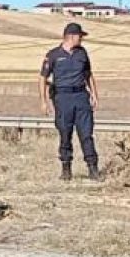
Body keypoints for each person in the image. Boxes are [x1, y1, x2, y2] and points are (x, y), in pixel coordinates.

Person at [40, 22, 100, 181]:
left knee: (86, 134)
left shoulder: (82, 53)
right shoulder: (53, 55)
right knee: (65, 133)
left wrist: (94, 94)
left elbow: (89, 75)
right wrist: (44, 101)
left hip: (81, 97)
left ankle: (93, 169)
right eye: (80, 36)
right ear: (71, 37)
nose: (82, 39)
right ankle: (66, 169)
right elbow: (43, 78)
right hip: (62, 97)